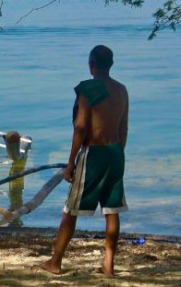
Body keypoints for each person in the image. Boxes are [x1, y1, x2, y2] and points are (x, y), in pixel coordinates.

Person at [39, 45, 129, 276]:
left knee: (71, 209)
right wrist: (117, 155)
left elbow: (80, 128)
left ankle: (55, 262)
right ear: (111, 65)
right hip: (115, 152)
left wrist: (71, 163)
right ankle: (108, 266)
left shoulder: (87, 90)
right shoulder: (121, 90)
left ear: (92, 64)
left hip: (94, 154)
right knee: (111, 209)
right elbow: (123, 128)